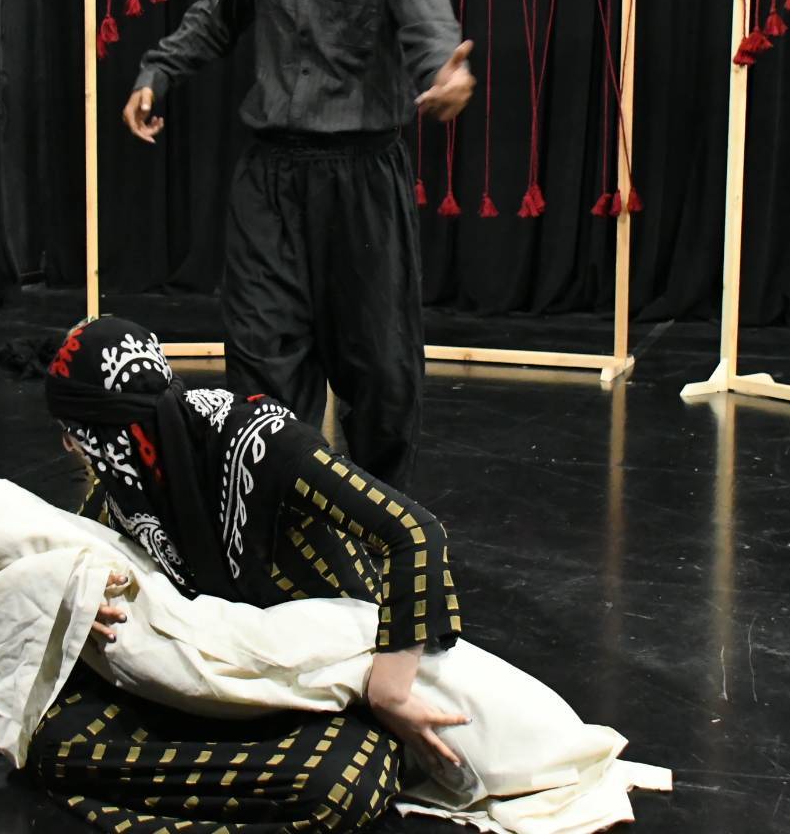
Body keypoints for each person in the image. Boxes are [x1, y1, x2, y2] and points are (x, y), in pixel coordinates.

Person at [122, 0, 475, 490]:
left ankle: (374, 519)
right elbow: (218, 17)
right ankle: (279, 515)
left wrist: (445, 77)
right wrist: (158, 70)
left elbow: (429, 31)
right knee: (261, 360)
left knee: (378, 369)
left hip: (360, 181)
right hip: (270, 177)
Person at [27, 315, 468, 831]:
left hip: (325, 687)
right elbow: (78, 565)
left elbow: (413, 532)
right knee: (52, 742)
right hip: (221, 686)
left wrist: (388, 694)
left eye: (74, 434)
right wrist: (81, 601)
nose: (71, 449)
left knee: (336, 784)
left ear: (108, 433)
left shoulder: (262, 444)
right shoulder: (124, 498)